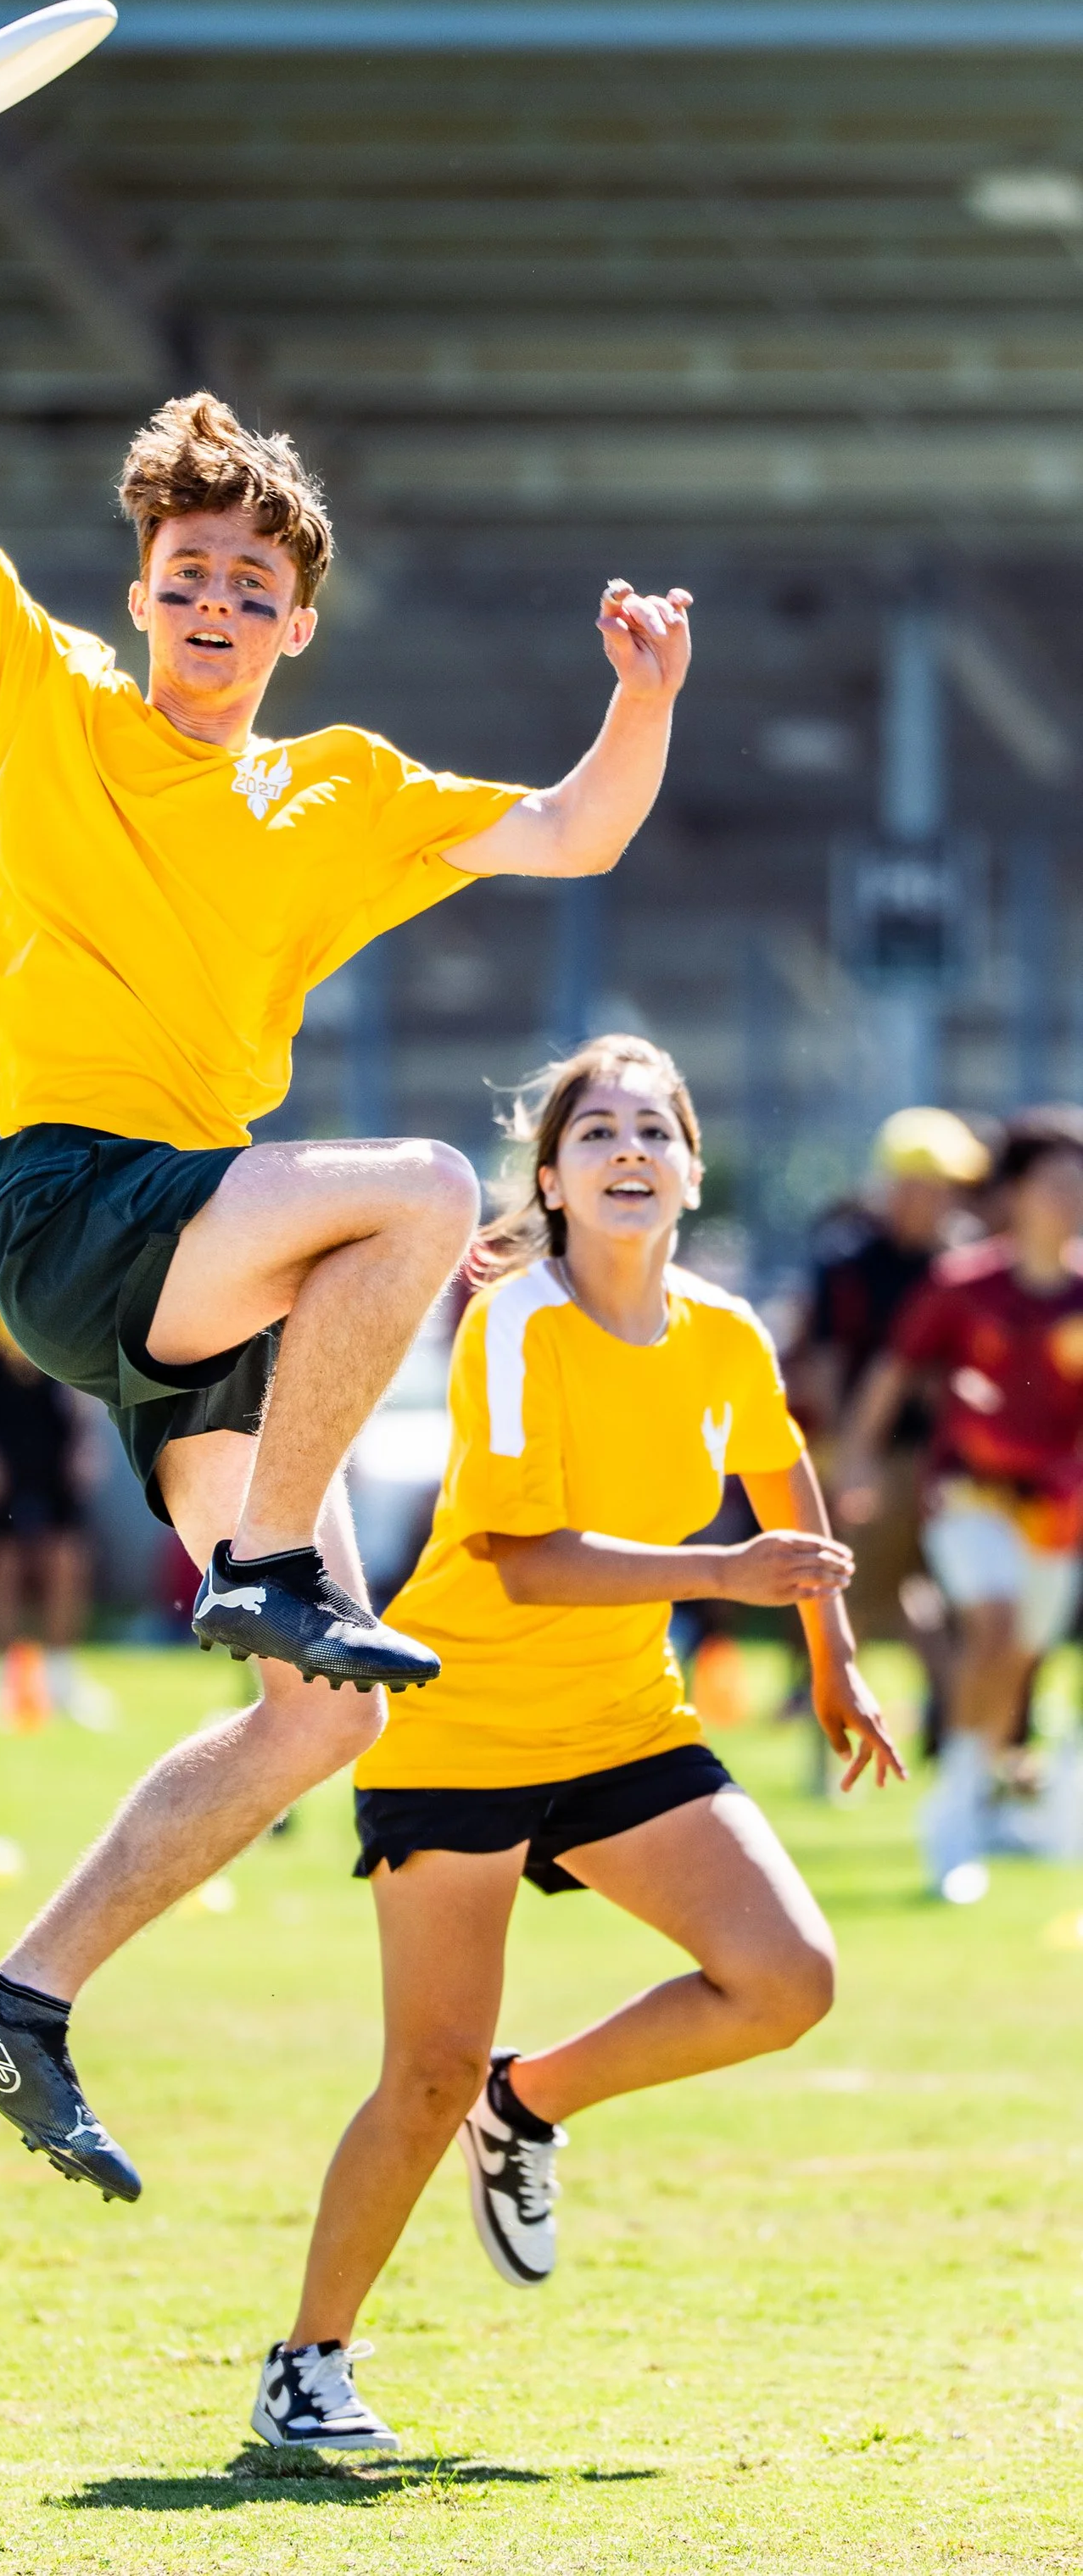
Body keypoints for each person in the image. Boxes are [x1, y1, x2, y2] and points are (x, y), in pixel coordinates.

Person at [0, 99, 695, 2200]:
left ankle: (21, 1997)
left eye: (251, 581)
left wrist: (644, 695)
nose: (213, 601)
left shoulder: (341, 787)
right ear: (139, 589)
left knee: (326, 1718)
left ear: (298, 619)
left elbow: (579, 832)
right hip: (76, 1206)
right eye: (185, 572)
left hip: (191, 1275)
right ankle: (256, 1567)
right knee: (421, 1186)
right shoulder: (49, 700)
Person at [249, 1034, 902, 2452]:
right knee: (422, 2071)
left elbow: (778, 1466)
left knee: (787, 1980)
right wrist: (729, 1580)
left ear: (689, 1174)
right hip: (463, 1727)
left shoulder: (724, 1329)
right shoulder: (517, 1323)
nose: (628, 1152)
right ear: (549, 1178)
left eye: (655, 1133)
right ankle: (307, 2364)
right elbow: (525, 1559)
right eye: (597, 1132)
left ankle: (529, 2102)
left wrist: (834, 1660)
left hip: (619, 1724)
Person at [837, 1106, 1083, 1894]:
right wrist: (858, 1461)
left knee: (1014, 1658)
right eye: (1055, 1183)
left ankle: (991, 1792)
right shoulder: (965, 1284)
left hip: (1057, 1511)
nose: (1071, 1196)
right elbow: (893, 1372)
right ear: (1013, 1194)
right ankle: (957, 1815)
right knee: (997, 1624)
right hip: (969, 1496)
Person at [793, 1108, 988, 1682]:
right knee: (867, 1590)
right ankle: (825, 1698)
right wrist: (848, 1453)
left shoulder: (961, 1263)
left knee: (955, 1597)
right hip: (878, 1454)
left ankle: (960, 1719)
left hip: (952, 1457)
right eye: (931, 1188)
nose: (942, 1201)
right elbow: (828, 1360)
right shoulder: (850, 1261)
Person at [0, 1270, 102, 1725]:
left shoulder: (62, 1278)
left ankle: (61, 1675)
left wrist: (84, 1440)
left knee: (66, 1555)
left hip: (54, 1441)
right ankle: (4, 1677)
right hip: (1, 1441)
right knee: (1, 1557)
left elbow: (82, 1364)